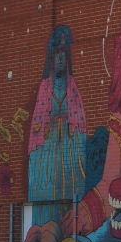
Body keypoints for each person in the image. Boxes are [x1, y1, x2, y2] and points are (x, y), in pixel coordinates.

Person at [28, 25, 87, 224]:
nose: (60, 58)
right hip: (49, 157)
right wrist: (48, 129)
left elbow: (80, 125)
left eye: (63, 54)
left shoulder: (72, 88)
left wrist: (70, 128)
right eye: (57, 54)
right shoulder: (45, 88)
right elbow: (36, 130)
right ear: (51, 59)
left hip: (68, 153)